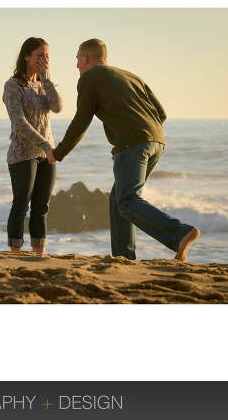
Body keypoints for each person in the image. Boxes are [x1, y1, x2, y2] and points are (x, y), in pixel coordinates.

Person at [48, 39, 200, 261]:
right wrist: (128, 138)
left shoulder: (90, 78)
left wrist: (58, 153)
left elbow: (81, 121)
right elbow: (161, 113)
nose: (77, 67)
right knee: (118, 200)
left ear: (86, 58)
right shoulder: (131, 76)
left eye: (78, 61)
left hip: (134, 145)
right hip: (157, 141)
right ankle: (124, 258)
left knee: (127, 200)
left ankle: (180, 233)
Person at [2, 37, 63, 254]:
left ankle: (39, 255)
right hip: (22, 154)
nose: (44, 60)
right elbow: (19, 123)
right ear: (27, 56)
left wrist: (46, 79)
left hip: (46, 154)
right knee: (21, 206)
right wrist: (45, 145)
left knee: (41, 208)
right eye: (39, 55)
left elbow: (58, 107)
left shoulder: (44, 85)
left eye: (47, 56)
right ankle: (15, 255)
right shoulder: (13, 86)